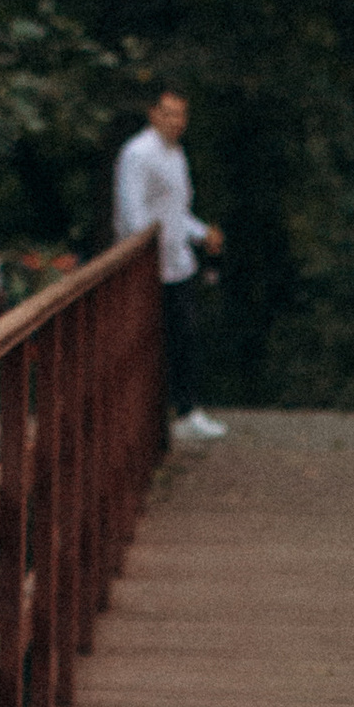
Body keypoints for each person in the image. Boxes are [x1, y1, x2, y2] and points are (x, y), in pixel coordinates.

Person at [113, 87, 227, 444]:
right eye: (168, 113)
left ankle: (186, 411)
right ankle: (154, 419)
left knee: (184, 339)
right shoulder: (138, 153)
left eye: (181, 114)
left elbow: (176, 213)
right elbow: (134, 216)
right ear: (153, 113)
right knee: (151, 344)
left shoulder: (175, 153)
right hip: (149, 268)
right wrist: (147, 257)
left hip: (179, 264)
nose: (176, 121)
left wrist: (200, 233)